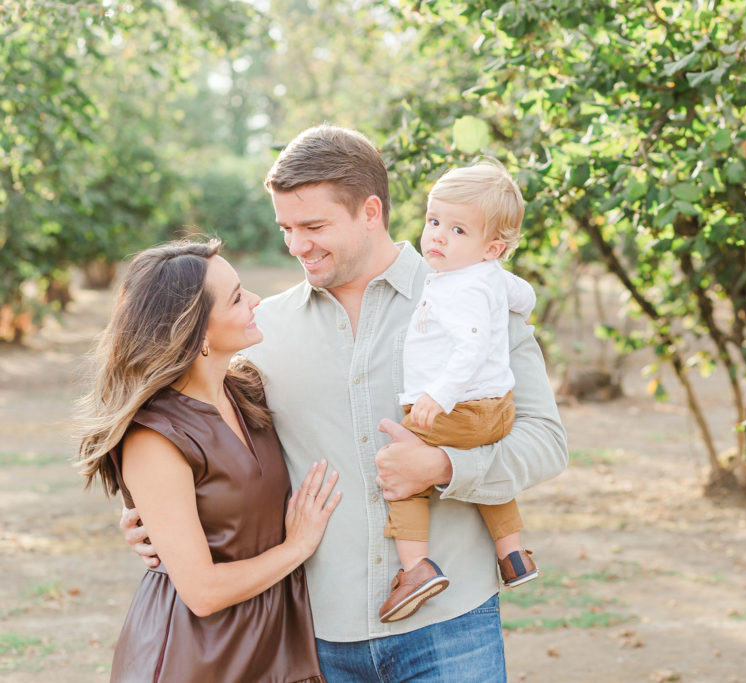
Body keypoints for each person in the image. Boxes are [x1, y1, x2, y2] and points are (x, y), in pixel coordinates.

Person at [122, 124, 568, 682]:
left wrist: (446, 467)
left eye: (314, 226)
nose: (295, 245)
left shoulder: (478, 299)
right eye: (285, 227)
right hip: (317, 637)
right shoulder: (264, 332)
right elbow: (211, 441)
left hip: (452, 628)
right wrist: (157, 522)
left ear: (370, 212)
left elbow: (546, 442)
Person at [77, 239, 341, 682]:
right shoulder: (155, 436)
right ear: (197, 333)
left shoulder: (248, 393)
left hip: (275, 645)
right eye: (238, 297)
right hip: (198, 655)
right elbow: (201, 592)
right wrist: (297, 546)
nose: (256, 300)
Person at [378, 161, 541, 624]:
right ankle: (513, 556)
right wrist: (520, 314)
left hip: (458, 408)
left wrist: (437, 396)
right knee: (489, 482)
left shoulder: (458, 288)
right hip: (496, 410)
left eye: (456, 229)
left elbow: (469, 346)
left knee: (403, 476)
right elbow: (524, 296)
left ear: (491, 246)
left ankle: (415, 570)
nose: (438, 238)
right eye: (433, 222)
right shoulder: (491, 275)